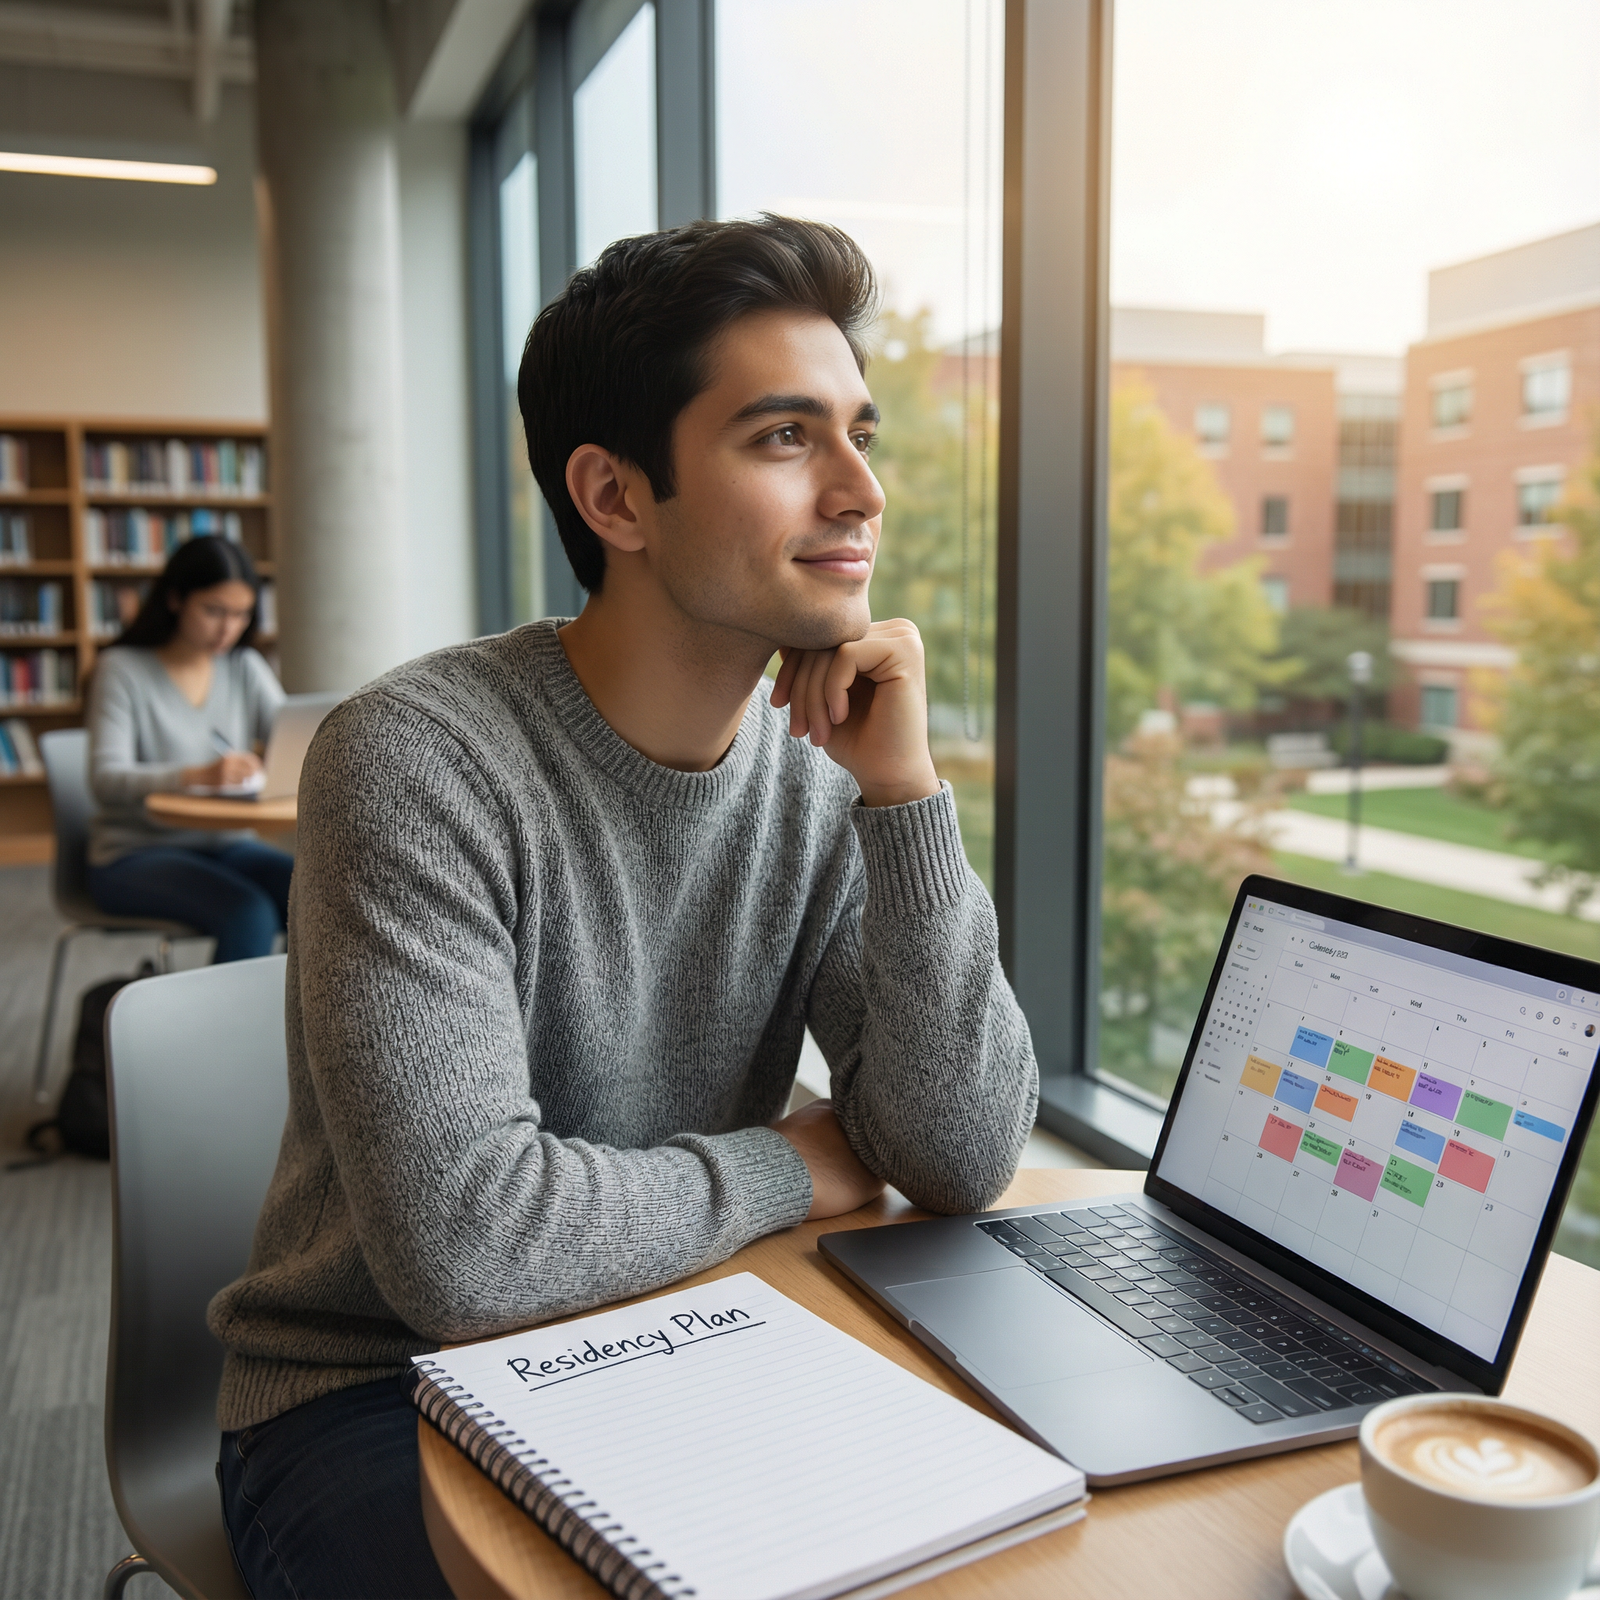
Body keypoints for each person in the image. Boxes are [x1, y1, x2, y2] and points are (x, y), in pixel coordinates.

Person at [209, 215, 1037, 1599]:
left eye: (861, 435)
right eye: (786, 438)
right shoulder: (415, 757)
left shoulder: (822, 775)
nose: (861, 493)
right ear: (615, 499)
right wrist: (797, 1163)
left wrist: (905, 802)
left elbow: (958, 1153)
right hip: (373, 1392)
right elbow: (470, 1250)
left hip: (686, 1327)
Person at [86, 535, 291, 964]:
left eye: (240, 614)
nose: (228, 629)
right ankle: (224, 1033)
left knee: (319, 892)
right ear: (176, 598)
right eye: (214, 611)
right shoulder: (122, 669)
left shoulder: (243, 666)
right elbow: (105, 779)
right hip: (134, 851)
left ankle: (304, 1024)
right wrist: (197, 775)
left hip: (225, 843)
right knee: (249, 913)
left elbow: (291, 734)